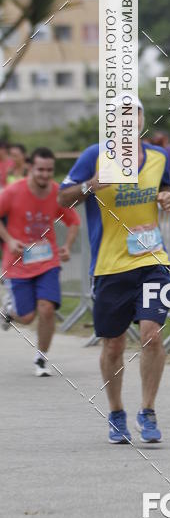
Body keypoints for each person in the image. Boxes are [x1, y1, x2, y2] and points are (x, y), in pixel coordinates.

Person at [58, 98, 170, 444]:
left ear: (142, 118)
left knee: (152, 335)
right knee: (113, 345)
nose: (127, 120)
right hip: (110, 267)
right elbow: (63, 198)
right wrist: (92, 184)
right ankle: (116, 411)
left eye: (133, 113)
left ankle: (148, 410)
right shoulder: (95, 154)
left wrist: (167, 198)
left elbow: (164, 189)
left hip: (152, 261)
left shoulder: (158, 157)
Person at [0, 147, 80, 375]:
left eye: (49, 170)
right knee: (26, 317)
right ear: (30, 168)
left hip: (47, 261)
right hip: (18, 262)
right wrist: (9, 239)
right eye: (40, 170)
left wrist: (67, 246)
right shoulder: (13, 192)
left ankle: (41, 359)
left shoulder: (57, 193)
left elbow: (73, 221)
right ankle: (9, 310)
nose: (45, 175)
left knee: (46, 309)